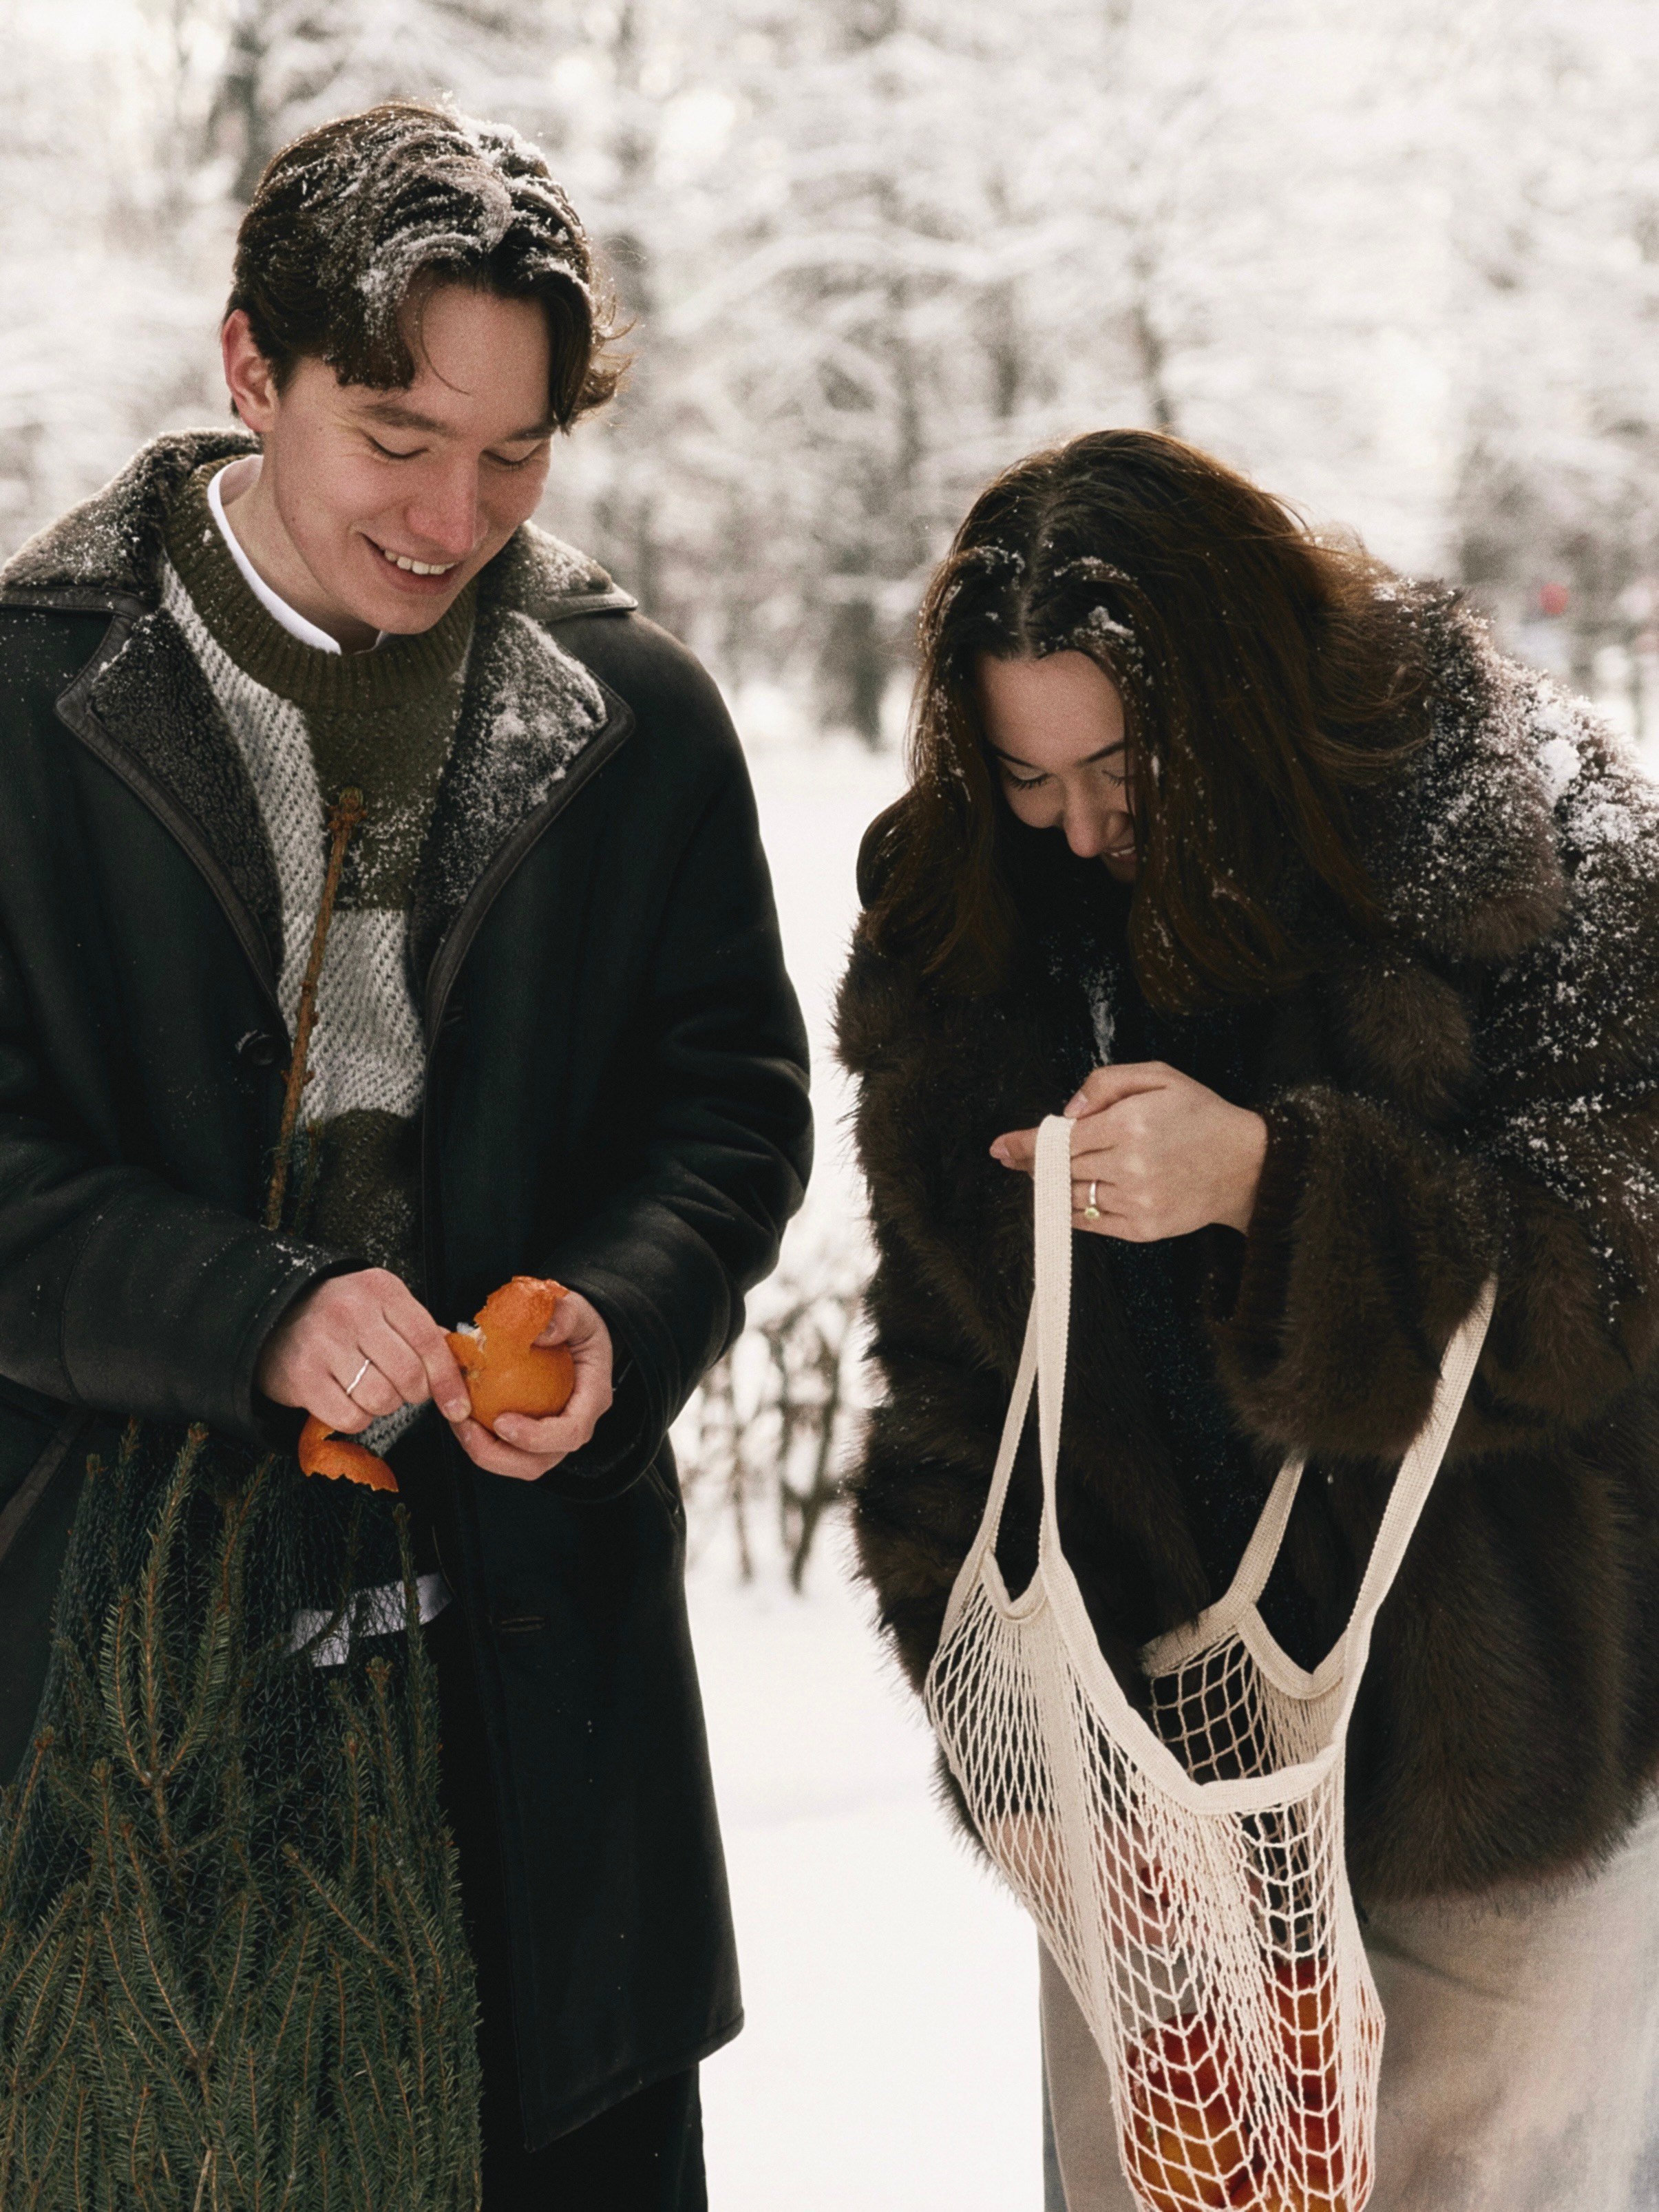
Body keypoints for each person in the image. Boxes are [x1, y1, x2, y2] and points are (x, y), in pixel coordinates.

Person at [0, 101, 810, 2210]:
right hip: (89, 1675)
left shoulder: (635, 718)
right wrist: (249, 1313)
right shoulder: (22, 704)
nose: (457, 512)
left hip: (524, 1680)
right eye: (397, 435)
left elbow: (727, 1101)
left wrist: (621, 1311)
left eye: (516, 452)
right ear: (251, 367)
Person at [836, 429, 1659, 2210]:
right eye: (1025, 774)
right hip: (1142, 1769)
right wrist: (1026, 1763)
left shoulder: (1519, 831)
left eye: (1121, 768)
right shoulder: (970, 918)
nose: (1079, 826)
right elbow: (942, 1397)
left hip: (1500, 1753)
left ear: (1240, 698)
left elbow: (1617, 1271)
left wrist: (1281, 1197)